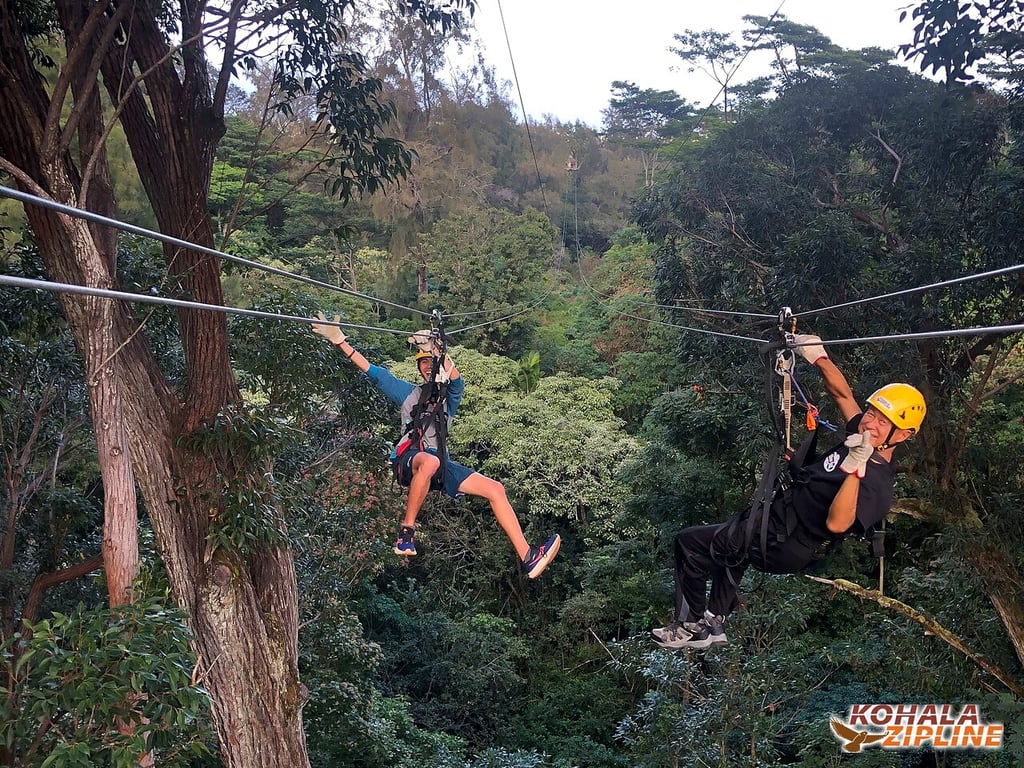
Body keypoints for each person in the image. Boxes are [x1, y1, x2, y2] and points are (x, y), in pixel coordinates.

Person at [652, 333, 926, 649]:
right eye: (872, 414)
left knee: (689, 543)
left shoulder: (877, 486)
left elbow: (838, 524)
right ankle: (714, 620)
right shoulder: (862, 433)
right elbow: (843, 396)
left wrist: (856, 467)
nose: (870, 424)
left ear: (902, 435)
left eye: (882, 422)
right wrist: (819, 357)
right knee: (732, 549)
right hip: (777, 522)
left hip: (787, 543)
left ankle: (689, 626)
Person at [311, 314, 561, 579]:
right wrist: (340, 341)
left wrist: (438, 350)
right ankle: (406, 533)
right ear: (419, 369)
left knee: (495, 489)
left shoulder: (448, 401)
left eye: (431, 362)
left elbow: (456, 380)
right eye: (423, 363)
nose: (427, 367)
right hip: (409, 458)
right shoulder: (408, 393)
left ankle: (527, 557)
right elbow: (374, 372)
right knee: (430, 462)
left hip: (439, 463)